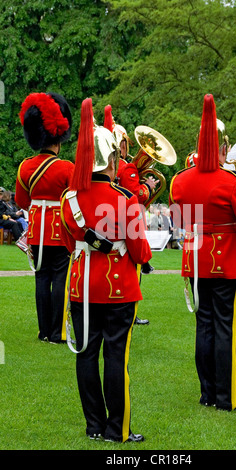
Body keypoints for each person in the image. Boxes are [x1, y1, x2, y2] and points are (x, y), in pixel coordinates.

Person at [60, 98, 152, 442]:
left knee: (86, 354)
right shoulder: (125, 199)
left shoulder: (70, 198)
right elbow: (141, 251)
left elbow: (71, 244)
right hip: (119, 287)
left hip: (82, 285)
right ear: (111, 159)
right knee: (116, 356)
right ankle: (118, 430)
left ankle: (94, 426)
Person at [170, 94, 236, 411]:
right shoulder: (233, 182)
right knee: (226, 329)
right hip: (226, 260)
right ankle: (226, 398)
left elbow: (181, 221)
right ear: (222, 147)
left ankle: (207, 394)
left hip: (195, 259)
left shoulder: (180, 181)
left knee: (204, 326)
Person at [15, 91, 74, 344]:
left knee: (42, 279)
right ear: (58, 139)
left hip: (36, 228)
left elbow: (21, 201)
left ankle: (43, 331)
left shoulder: (25, 166)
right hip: (59, 230)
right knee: (60, 278)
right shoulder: (67, 167)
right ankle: (58, 332)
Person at [104, 105, 156, 320]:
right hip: (130, 222)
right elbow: (136, 195)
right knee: (131, 269)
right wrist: (150, 187)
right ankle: (132, 314)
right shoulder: (127, 168)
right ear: (122, 144)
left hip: (107, 221)